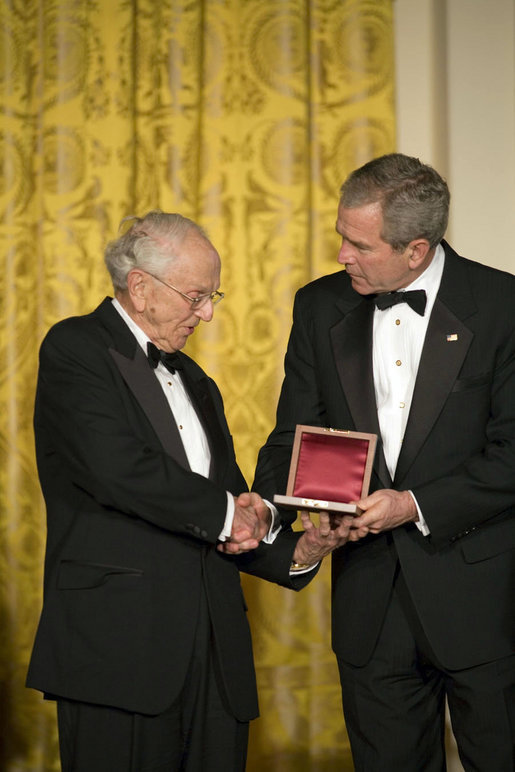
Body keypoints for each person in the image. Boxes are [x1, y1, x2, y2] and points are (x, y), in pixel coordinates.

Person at [26, 211, 352, 772]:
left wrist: (295, 550)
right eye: (197, 296)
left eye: (212, 296)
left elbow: (229, 502)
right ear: (141, 287)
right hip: (120, 651)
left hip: (215, 655)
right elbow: (118, 469)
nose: (206, 313)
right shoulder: (76, 347)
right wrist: (233, 514)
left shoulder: (198, 381)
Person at [254, 154, 515, 771]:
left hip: (485, 604)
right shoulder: (319, 307)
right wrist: (276, 506)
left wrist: (412, 506)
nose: (341, 253)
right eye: (341, 235)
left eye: (358, 243)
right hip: (372, 604)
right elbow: (292, 435)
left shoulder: (503, 305)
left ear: (417, 249)